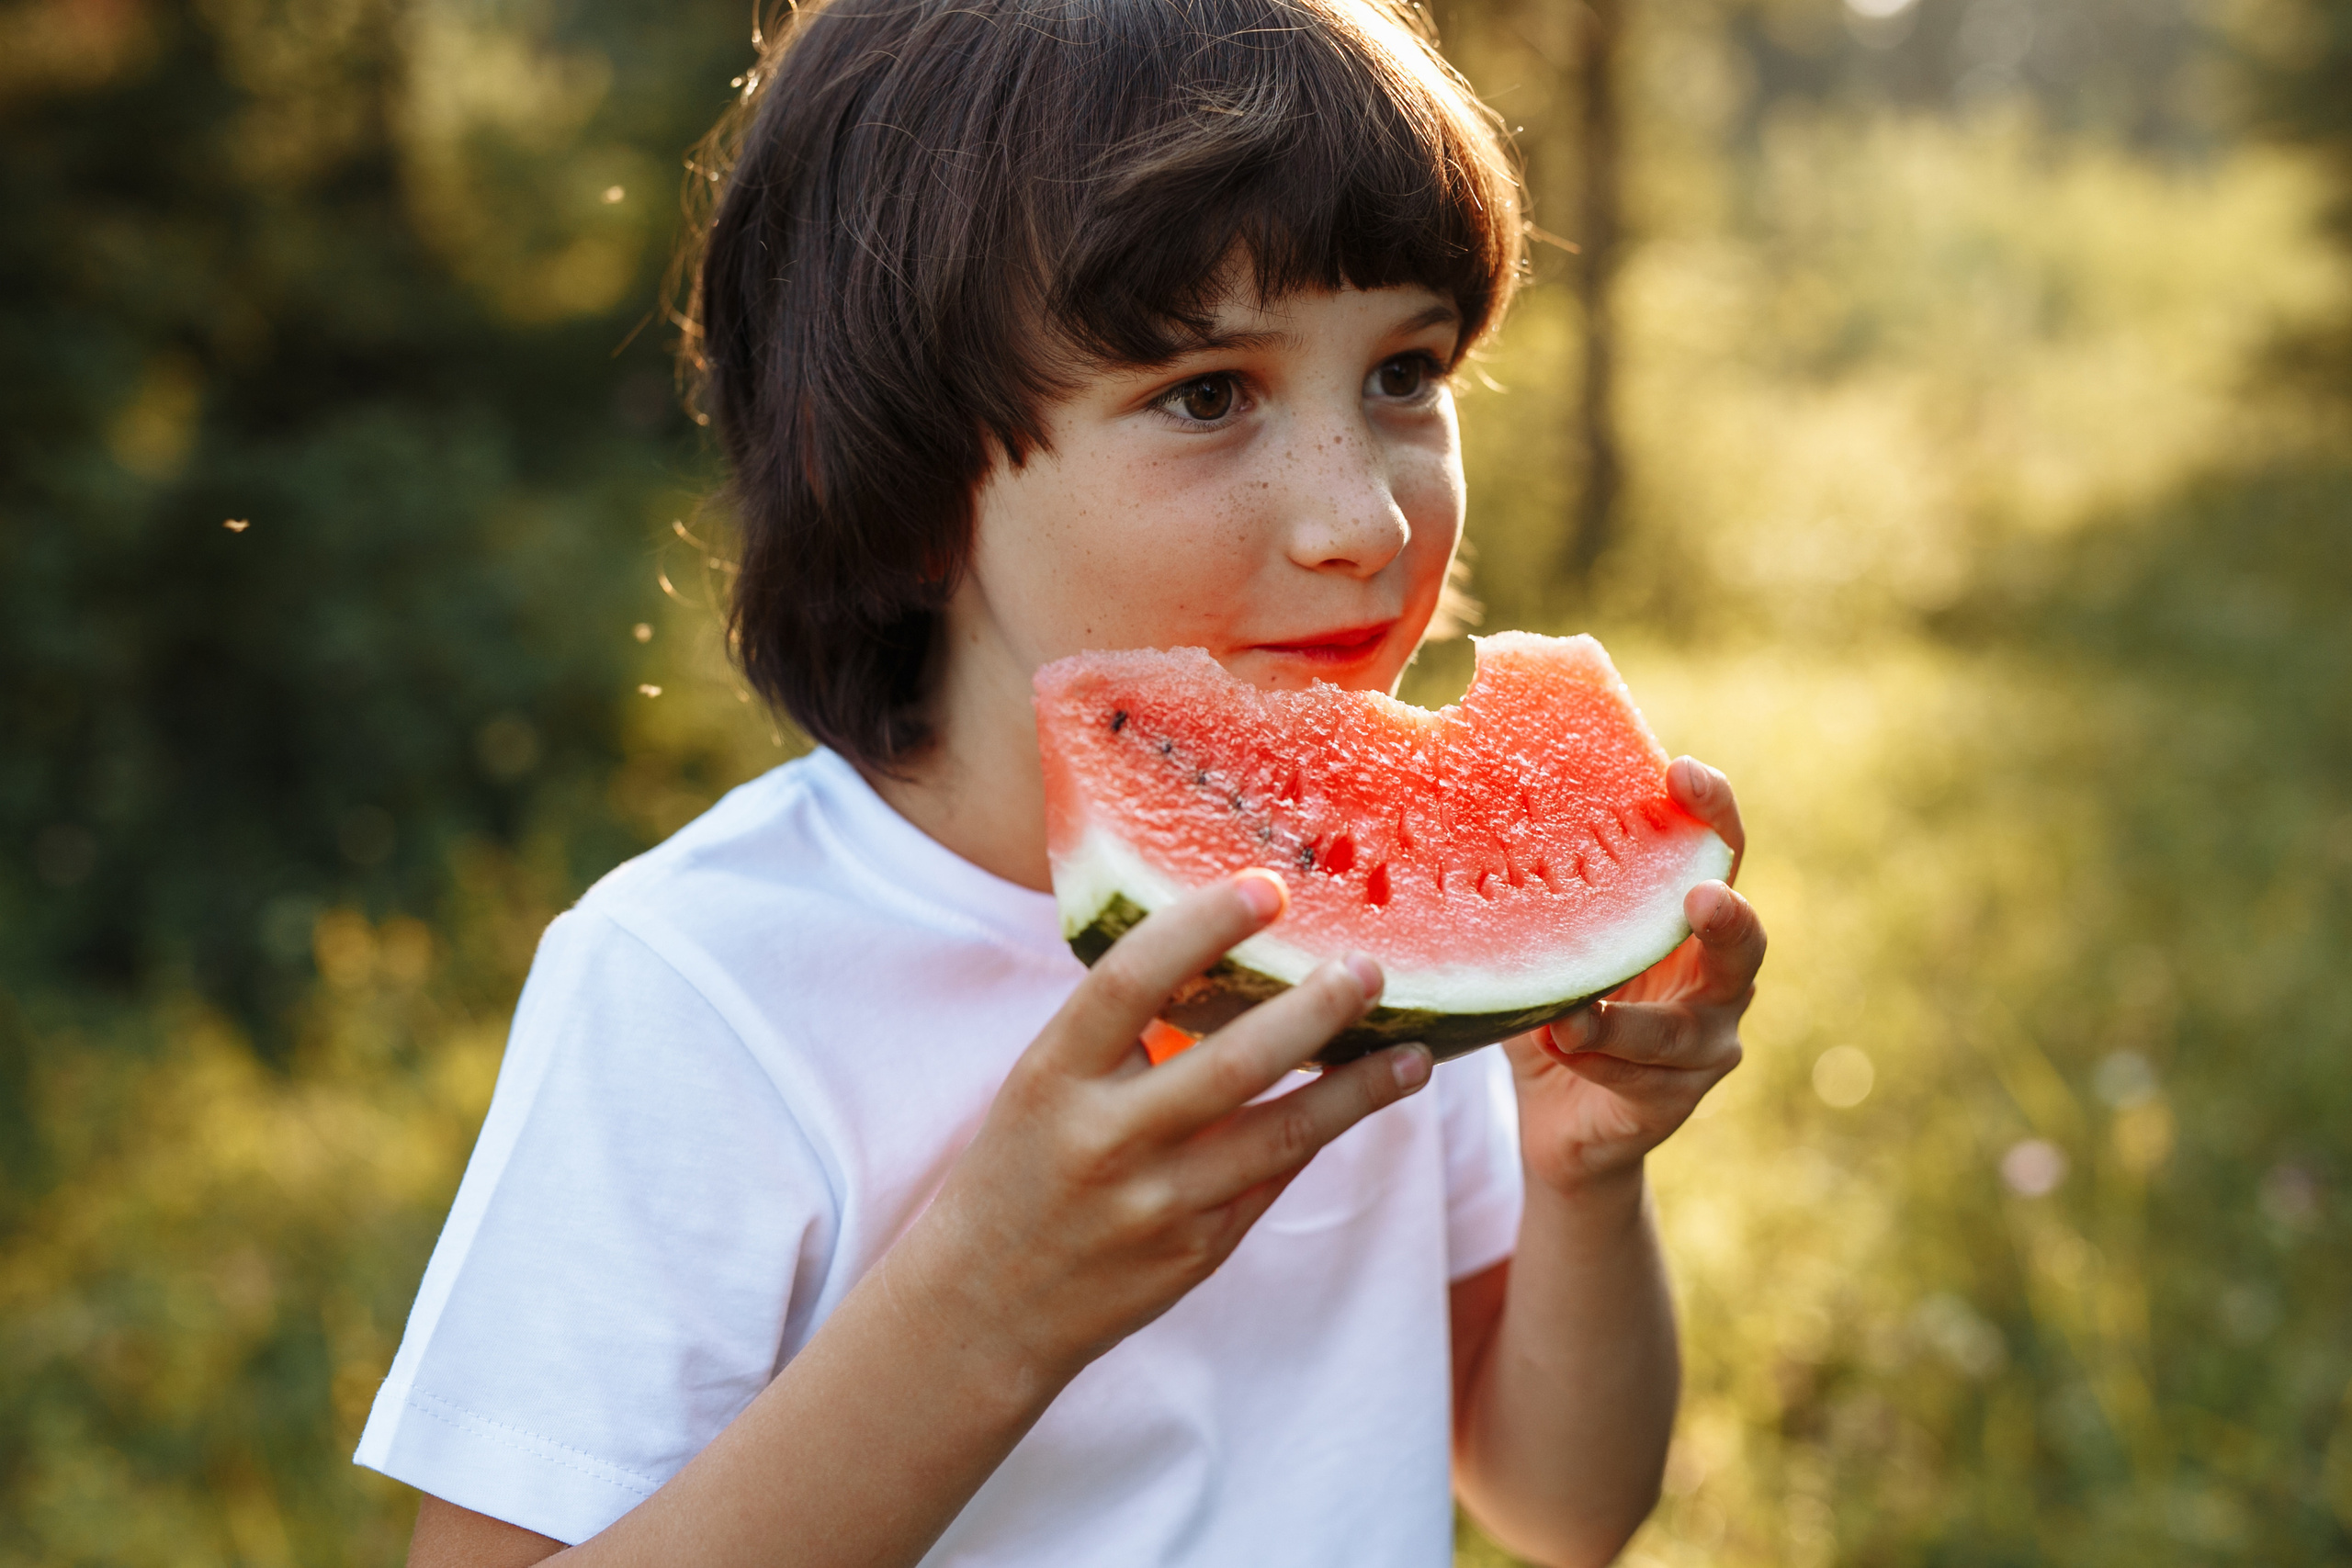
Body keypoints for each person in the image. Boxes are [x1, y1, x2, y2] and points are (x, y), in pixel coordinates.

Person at [356, 0, 1766, 1562]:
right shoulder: (698, 989)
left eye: (1404, 371)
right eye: (1208, 394)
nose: (1364, 522)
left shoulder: (1363, 934)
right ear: (904, 485)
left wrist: (1582, 1180)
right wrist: (984, 1311)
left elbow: (1566, 1506)